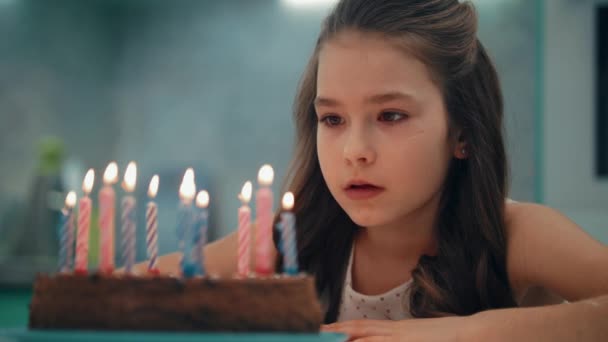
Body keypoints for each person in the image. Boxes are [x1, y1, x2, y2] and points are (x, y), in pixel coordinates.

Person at [139, 0, 608, 340]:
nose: (354, 151)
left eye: (391, 116)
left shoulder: (515, 235)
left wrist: (462, 334)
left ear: (462, 131)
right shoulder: (293, 239)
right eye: (333, 119)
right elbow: (131, 292)